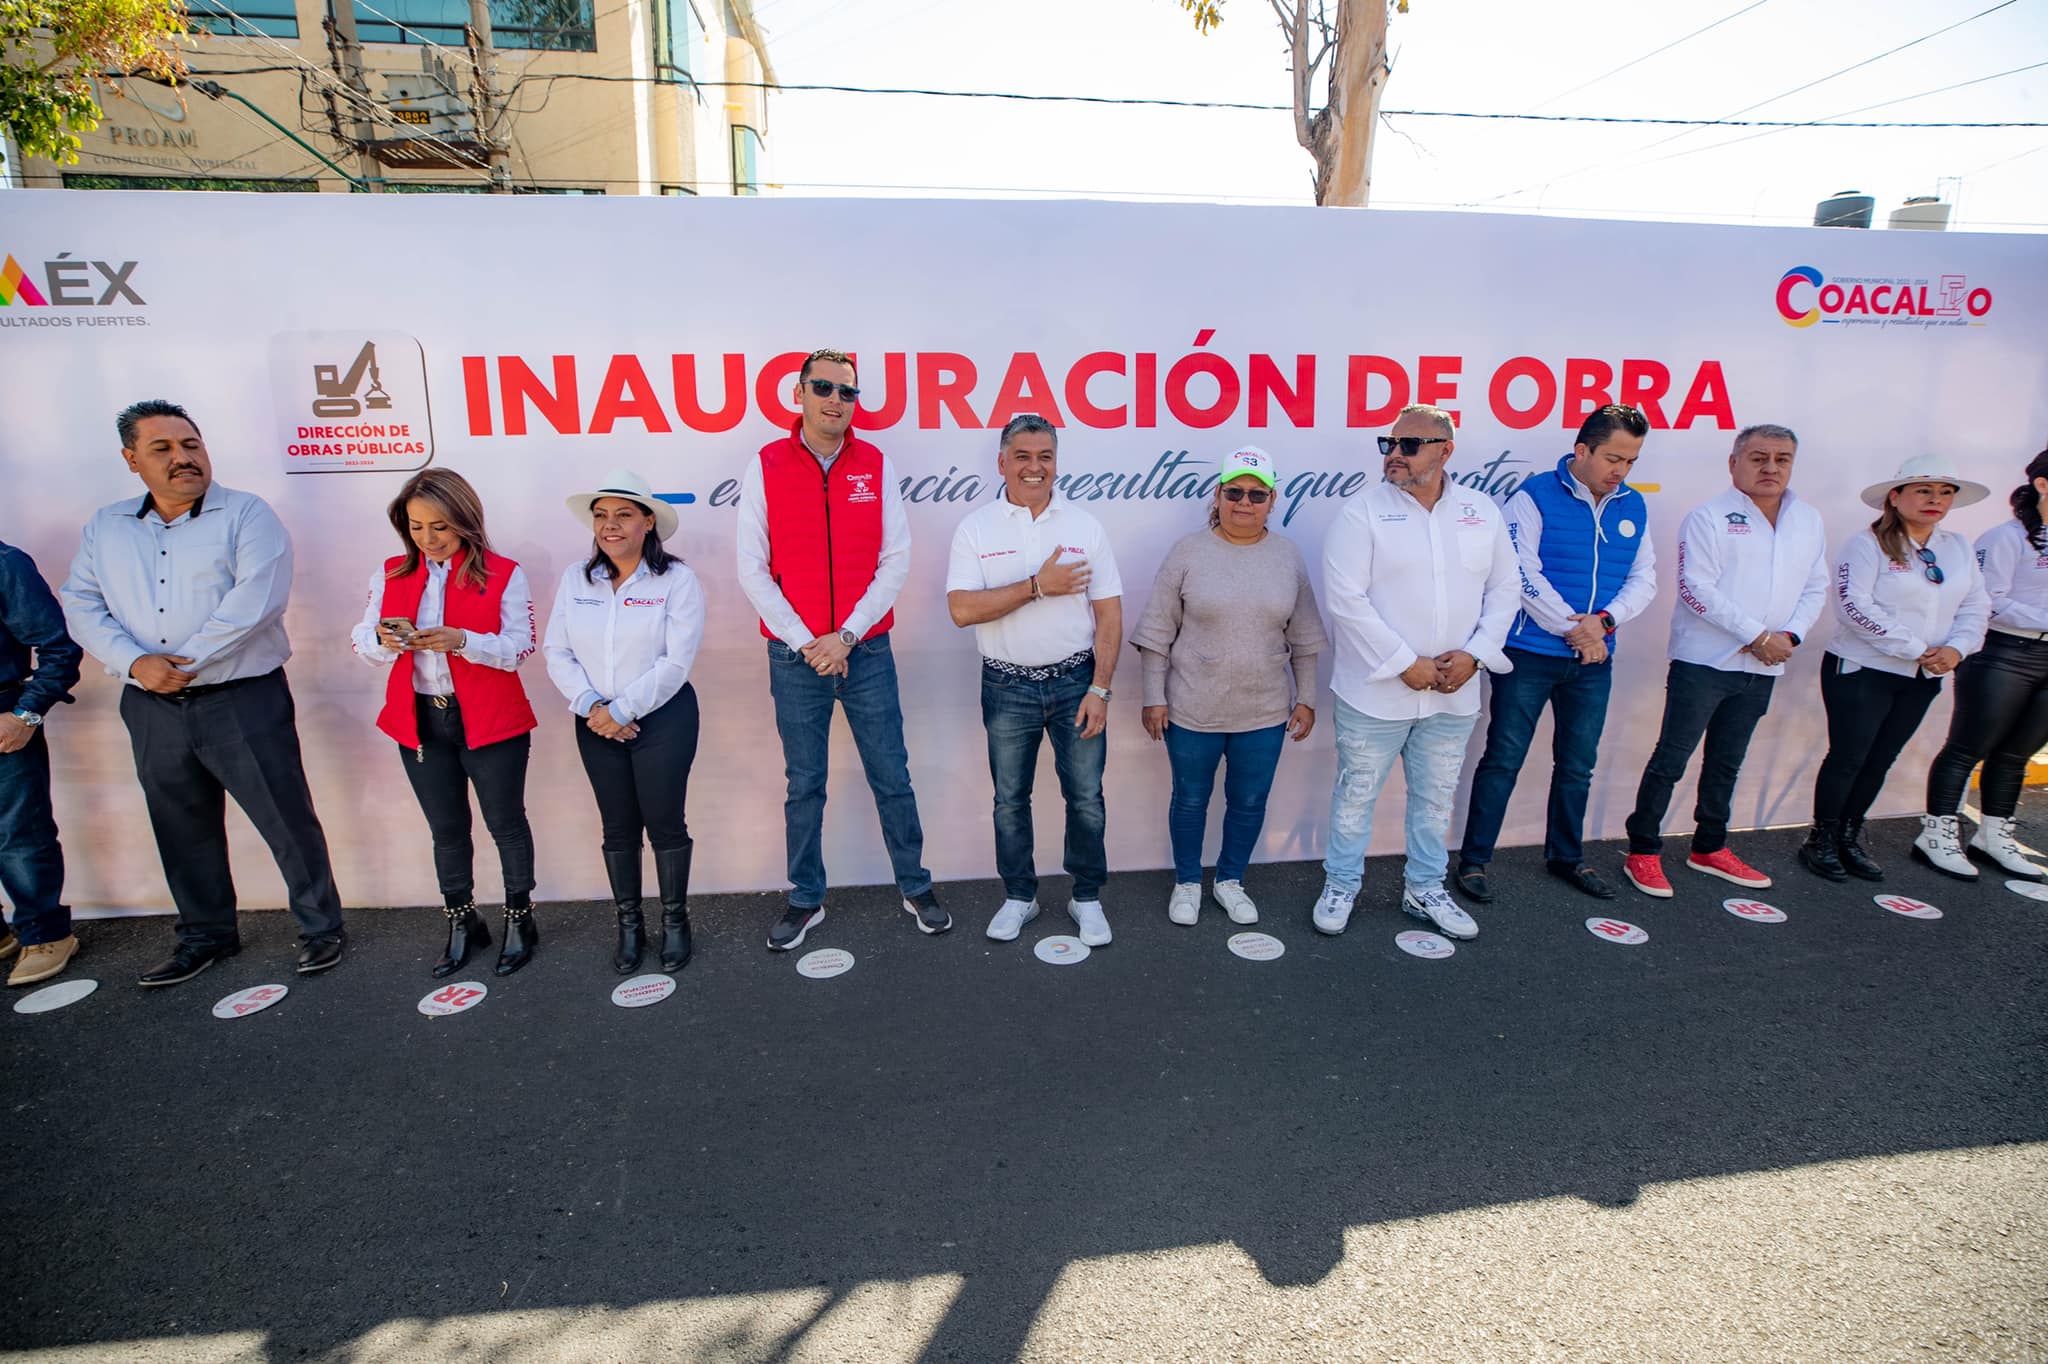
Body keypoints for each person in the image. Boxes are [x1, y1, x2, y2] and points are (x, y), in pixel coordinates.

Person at [60, 400, 348, 986]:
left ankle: (321, 928)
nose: (182, 457)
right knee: (180, 824)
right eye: (162, 448)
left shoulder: (246, 515)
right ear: (131, 459)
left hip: (241, 697)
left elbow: (256, 601)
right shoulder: (106, 527)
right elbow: (81, 602)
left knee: (285, 818)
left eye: (190, 444)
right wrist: (137, 663)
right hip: (150, 703)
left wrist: (181, 664)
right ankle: (206, 935)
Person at [736, 347, 947, 951]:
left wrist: (847, 635)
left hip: (867, 650)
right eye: (823, 388)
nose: (836, 399)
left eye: (847, 391)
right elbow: (752, 569)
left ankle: (915, 885)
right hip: (794, 655)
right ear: (799, 394)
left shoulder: (874, 463)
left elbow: (895, 559)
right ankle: (806, 897)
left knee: (892, 774)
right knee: (805, 782)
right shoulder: (767, 464)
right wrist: (809, 643)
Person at [1314, 404, 1518, 941]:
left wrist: (1475, 654)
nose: (1394, 455)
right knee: (1356, 793)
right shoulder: (1362, 513)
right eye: (1389, 444)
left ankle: (1424, 888)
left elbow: (1504, 590)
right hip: (1375, 693)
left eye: (1409, 445)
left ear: (1445, 451)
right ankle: (1341, 884)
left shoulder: (1481, 511)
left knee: (1436, 798)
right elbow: (1345, 600)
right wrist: (1406, 663)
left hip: (1454, 692)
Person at [1454, 404, 1655, 904]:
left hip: (1592, 660)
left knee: (1577, 764)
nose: (1621, 471)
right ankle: (1475, 861)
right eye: (1613, 458)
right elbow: (1520, 575)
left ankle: (1566, 856)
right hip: (1530, 654)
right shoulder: (1534, 495)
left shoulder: (1633, 504)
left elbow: (1644, 578)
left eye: (1630, 462)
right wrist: (1575, 629)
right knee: (1503, 759)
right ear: (1581, 450)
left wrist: (1603, 625)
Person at [1620, 424, 1828, 898]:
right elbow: (1697, 589)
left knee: (1727, 763)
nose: (1770, 467)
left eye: (1781, 458)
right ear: (1734, 463)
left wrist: (1788, 636)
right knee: (1671, 759)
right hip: (1705, 661)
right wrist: (1758, 635)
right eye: (1758, 457)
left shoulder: (1808, 520)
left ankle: (1709, 847)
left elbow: (1816, 584)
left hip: (1766, 663)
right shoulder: (1709, 517)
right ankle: (1643, 851)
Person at [350, 469, 540, 978]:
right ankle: (462, 921)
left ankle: (520, 918)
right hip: (420, 720)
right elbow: (363, 641)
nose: (429, 539)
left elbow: (520, 646)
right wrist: (382, 642)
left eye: (440, 527)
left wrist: (464, 641)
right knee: (447, 830)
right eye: (416, 527)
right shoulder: (390, 573)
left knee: (506, 824)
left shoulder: (503, 572)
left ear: (465, 521)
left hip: (491, 719)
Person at [945, 414, 1123, 945]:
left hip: (1076, 681)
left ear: (1056, 463)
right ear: (1002, 463)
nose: (1034, 466)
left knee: (1086, 797)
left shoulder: (1085, 526)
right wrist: (1037, 586)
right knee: (1009, 799)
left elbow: (1110, 614)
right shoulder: (976, 528)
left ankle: (1086, 897)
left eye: (1044, 456)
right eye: (1022, 456)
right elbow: (960, 610)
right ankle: (1018, 897)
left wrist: (1101, 687)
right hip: (1006, 686)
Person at [1131, 445, 1324, 927]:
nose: (1244, 503)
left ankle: (1231, 879)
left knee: (1250, 801)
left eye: (1256, 495)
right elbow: (1157, 631)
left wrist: (1307, 697)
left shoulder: (1287, 556)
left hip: (1264, 710)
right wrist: (1154, 696)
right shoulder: (1188, 551)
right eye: (1234, 492)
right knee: (1190, 798)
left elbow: (1303, 635)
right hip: (1192, 707)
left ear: (1272, 500)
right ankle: (1188, 882)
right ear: (1217, 496)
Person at [544, 469, 705, 974]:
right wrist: (595, 707)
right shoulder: (577, 578)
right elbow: (556, 650)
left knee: (664, 823)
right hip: (594, 721)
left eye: (623, 515)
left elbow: (676, 664)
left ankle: (675, 923)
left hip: (663, 720)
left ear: (647, 522)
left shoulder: (676, 579)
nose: (610, 526)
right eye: (601, 516)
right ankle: (630, 927)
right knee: (617, 829)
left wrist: (620, 711)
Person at [1801, 455, 1990, 882]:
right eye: (1923, 490)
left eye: (1944, 492)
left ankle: (1849, 836)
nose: (1935, 500)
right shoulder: (1866, 544)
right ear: (1895, 496)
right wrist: (1919, 648)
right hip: (1863, 670)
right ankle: (1822, 839)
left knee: (1880, 759)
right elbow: (1853, 606)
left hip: (1924, 676)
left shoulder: (1957, 547)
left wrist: (1957, 649)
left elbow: (1976, 605)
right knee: (1849, 757)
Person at [1920, 447, 2048, 880]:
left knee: (2016, 754)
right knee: (1967, 747)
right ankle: (1937, 833)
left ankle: (1994, 835)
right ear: (2042, 485)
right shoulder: (2005, 538)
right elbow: (1987, 601)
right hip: (2004, 653)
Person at [0, 539, 83, 987]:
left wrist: (25, 715)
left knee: (18, 834)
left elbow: (58, 649)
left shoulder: (6, 564)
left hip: (2, 719)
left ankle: (46, 935)